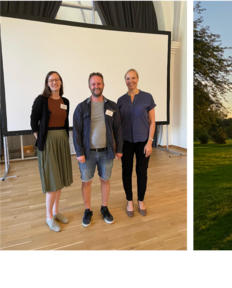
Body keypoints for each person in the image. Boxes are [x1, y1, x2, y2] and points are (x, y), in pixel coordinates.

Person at [72, 72, 123, 227]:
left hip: (106, 152)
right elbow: (76, 132)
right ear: (89, 86)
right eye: (93, 84)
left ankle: (104, 208)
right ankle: (88, 210)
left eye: (98, 83)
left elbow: (118, 129)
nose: (96, 86)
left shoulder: (112, 106)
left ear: (103, 85)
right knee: (86, 181)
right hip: (87, 153)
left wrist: (119, 149)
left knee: (105, 180)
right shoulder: (81, 107)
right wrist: (79, 152)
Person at [32, 71, 74, 232]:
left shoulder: (66, 101)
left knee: (59, 180)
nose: (54, 82)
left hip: (62, 141)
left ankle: (56, 212)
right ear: (47, 83)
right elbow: (33, 121)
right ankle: (49, 217)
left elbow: (64, 121)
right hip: (48, 142)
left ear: (61, 82)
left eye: (56, 80)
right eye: (51, 80)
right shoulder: (41, 100)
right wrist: (41, 138)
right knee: (52, 181)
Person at [116, 69, 156, 217]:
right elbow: (118, 125)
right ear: (125, 81)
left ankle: (141, 200)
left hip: (143, 142)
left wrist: (150, 142)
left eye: (133, 78)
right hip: (126, 142)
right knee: (126, 171)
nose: (130, 81)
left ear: (138, 79)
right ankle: (129, 201)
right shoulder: (120, 101)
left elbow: (152, 122)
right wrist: (117, 143)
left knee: (142, 172)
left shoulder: (147, 97)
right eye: (127, 78)